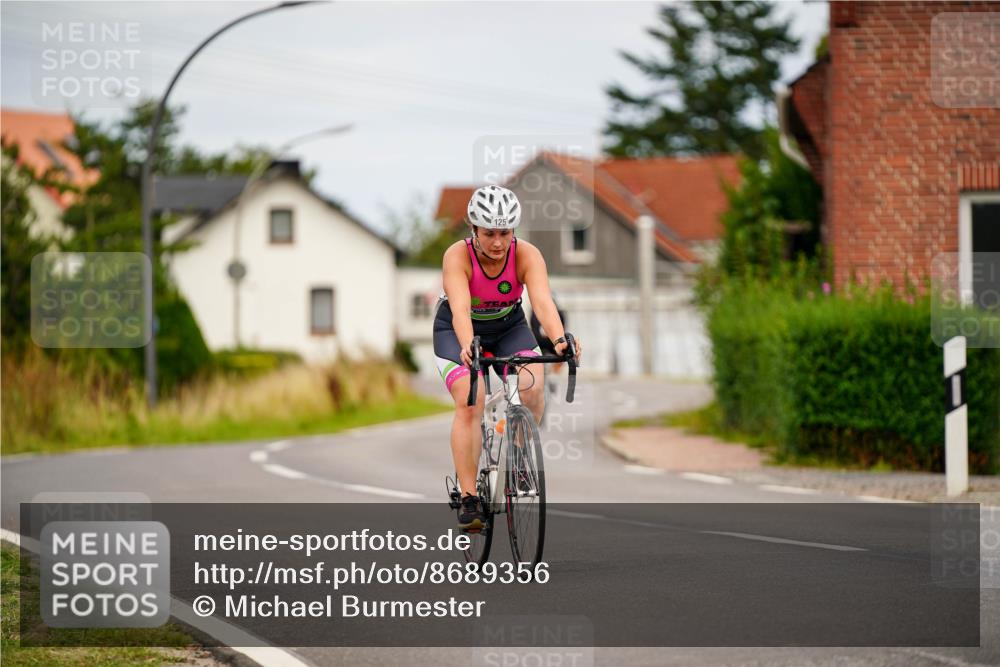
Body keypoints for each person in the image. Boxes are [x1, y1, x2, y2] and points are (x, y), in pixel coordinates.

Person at [433, 185, 580, 531]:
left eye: (505, 233)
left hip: (508, 326)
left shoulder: (527, 254)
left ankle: (518, 462)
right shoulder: (457, 256)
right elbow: (460, 309)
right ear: (473, 229)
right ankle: (469, 497)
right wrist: (468, 345)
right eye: (489, 234)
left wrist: (560, 340)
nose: (498, 243)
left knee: (533, 386)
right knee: (471, 398)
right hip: (457, 329)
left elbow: (542, 301)